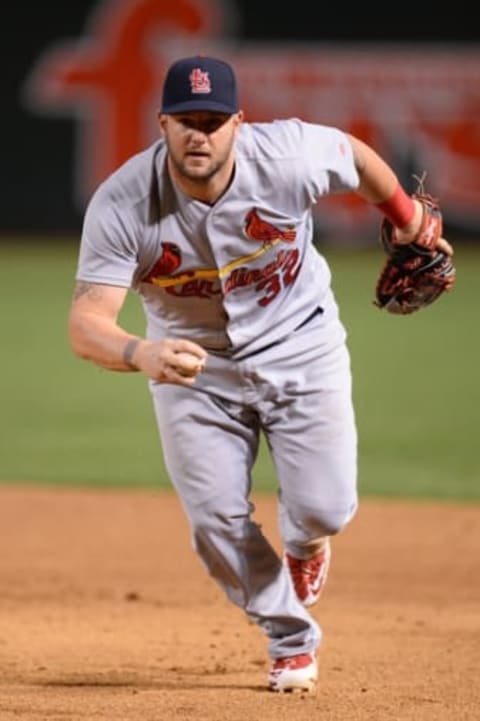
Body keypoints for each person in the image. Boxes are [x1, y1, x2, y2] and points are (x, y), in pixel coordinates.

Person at [67, 55, 453, 693]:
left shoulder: (287, 155)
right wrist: (141, 353)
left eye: (213, 120)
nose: (201, 134)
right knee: (215, 519)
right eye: (186, 120)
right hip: (192, 365)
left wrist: (408, 217)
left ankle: (306, 545)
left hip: (301, 344)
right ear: (161, 124)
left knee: (326, 508)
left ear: (238, 124)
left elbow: (355, 157)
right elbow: (86, 322)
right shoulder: (123, 202)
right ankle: (290, 637)